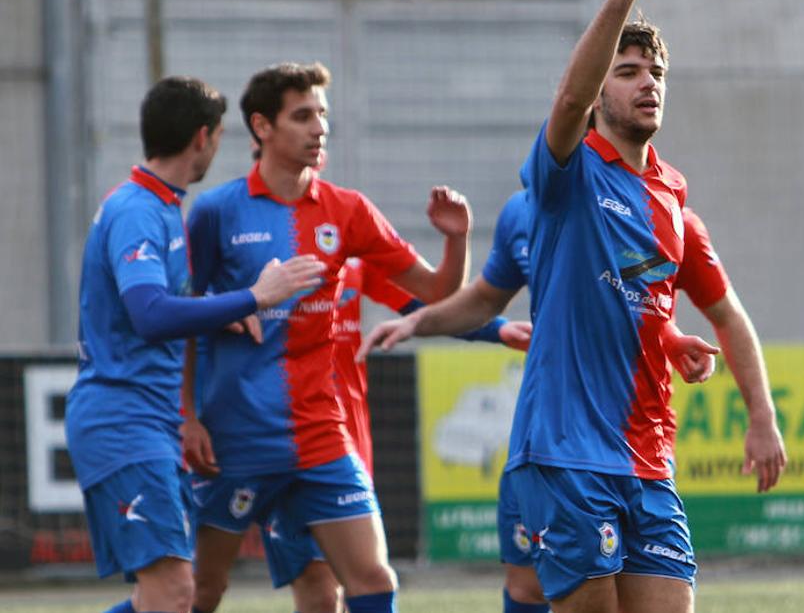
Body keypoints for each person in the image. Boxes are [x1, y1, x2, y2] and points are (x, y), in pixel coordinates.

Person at [362, 194, 785, 613]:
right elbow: (489, 297)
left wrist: (761, 416)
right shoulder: (526, 211)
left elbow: (688, 310)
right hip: (555, 444)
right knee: (528, 588)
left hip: (642, 445)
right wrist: (423, 321)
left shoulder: (672, 219)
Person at [180, 61, 470, 613]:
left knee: (373, 581)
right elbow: (180, 316)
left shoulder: (349, 209)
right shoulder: (216, 212)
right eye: (303, 116)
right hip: (234, 438)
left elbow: (436, 292)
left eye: (323, 115)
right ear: (262, 127)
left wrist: (456, 242)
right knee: (198, 591)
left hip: (320, 431)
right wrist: (186, 416)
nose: (320, 128)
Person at [66, 76, 325, 613]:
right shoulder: (138, 210)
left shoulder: (162, 206)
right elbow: (150, 313)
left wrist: (216, 318)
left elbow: (155, 308)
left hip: (146, 423)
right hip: (123, 422)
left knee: (163, 596)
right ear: (202, 138)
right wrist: (254, 297)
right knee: (176, 592)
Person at [260, 251, 532, 613]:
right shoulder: (249, 238)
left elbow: (422, 302)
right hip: (286, 445)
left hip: (346, 449)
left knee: (370, 581)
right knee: (320, 592)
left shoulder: (347, 240)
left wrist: (494, 328)